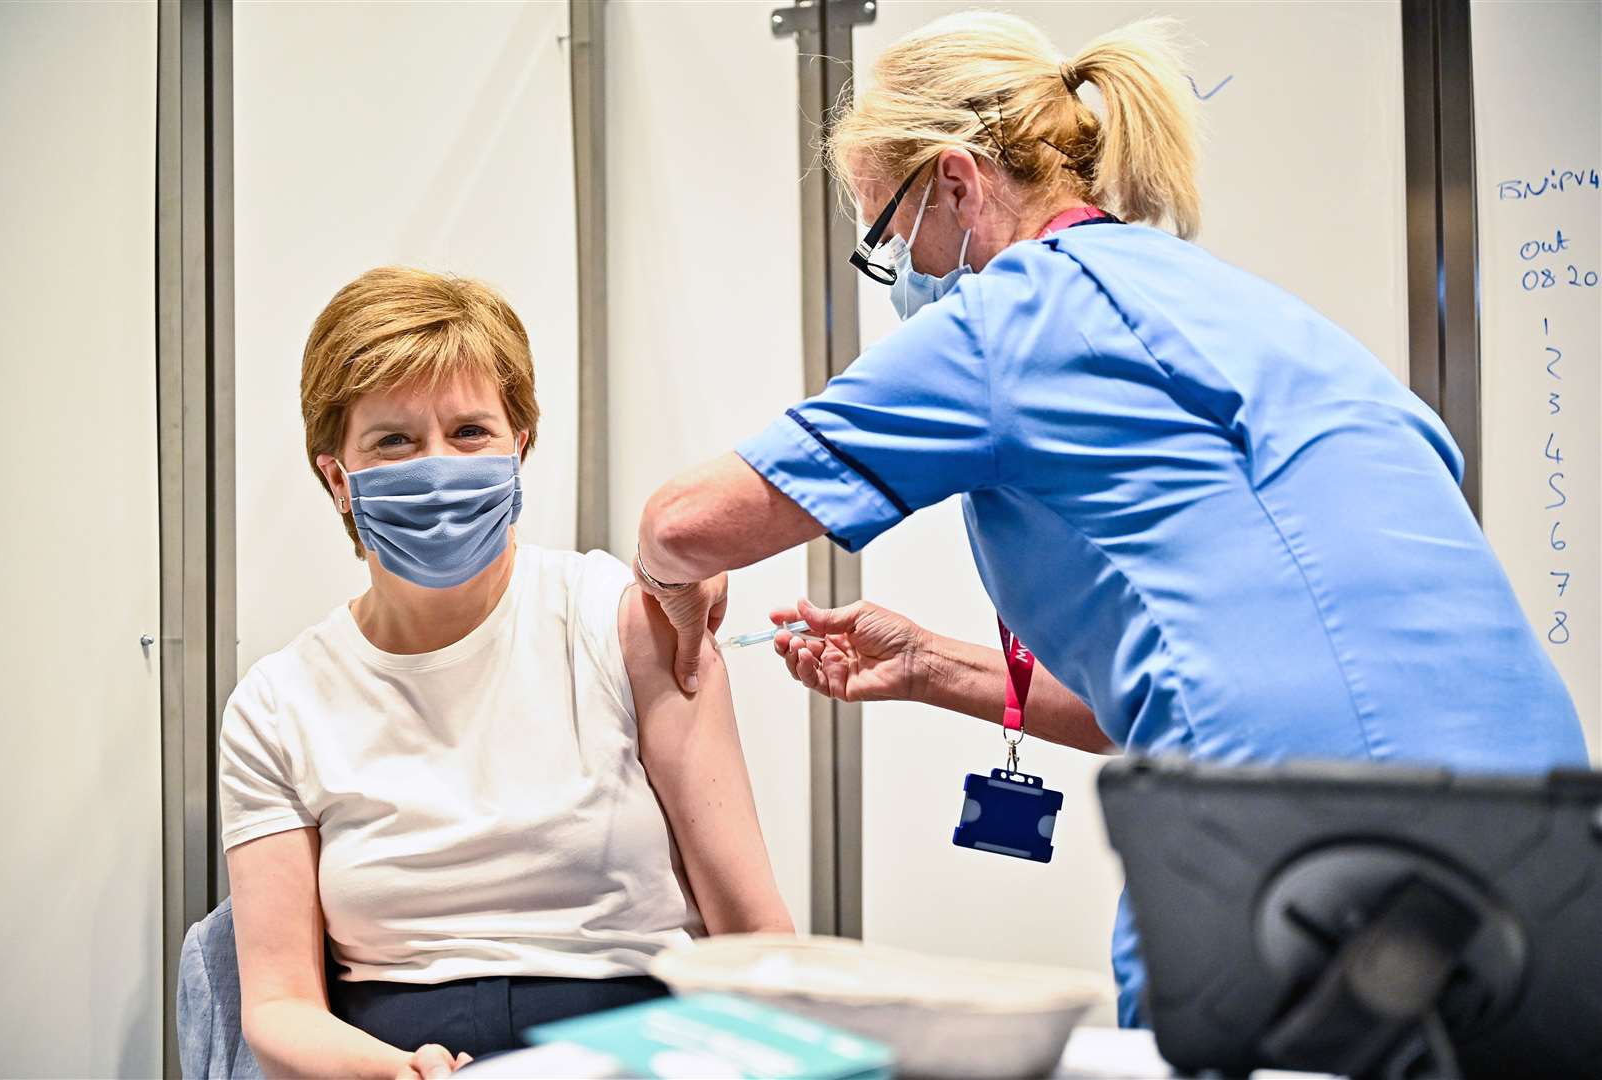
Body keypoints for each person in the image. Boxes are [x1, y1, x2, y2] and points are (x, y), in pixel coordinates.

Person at [630, 12, 1589, 1027]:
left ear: (956, 182)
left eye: (884, 231)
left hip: (1310, 863)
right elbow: (1206, 678)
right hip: (1552, 849)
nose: (896, 268)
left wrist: (665, 582)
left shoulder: (1012, 319)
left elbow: (686, 523)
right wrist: (928, 667)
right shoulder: (1244, 308)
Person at [221, 267, 791, 1079]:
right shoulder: (277, 705)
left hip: (636, 1048)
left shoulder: (629, 622)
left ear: (520, 445)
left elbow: (755, 935)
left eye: (469, 432)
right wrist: (391, 1072)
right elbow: (278, 1005)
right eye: (393, 441)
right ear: (337, 478)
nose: (438, 465)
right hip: (395, 1055)